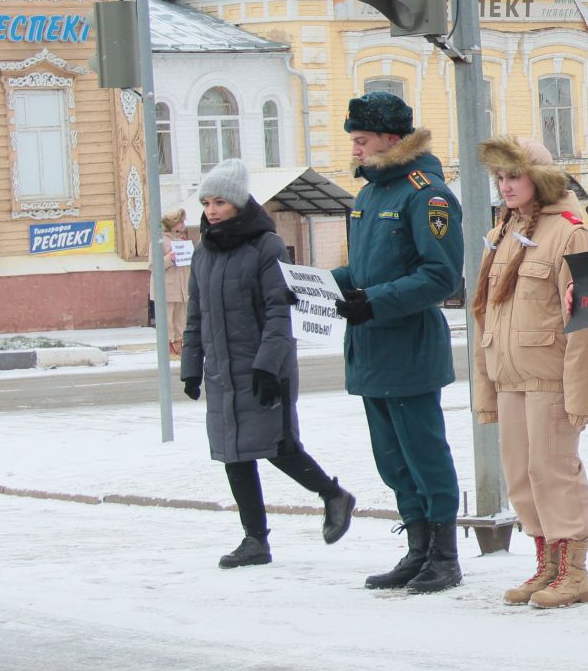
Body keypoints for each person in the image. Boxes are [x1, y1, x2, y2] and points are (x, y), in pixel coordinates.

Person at [181, 158, 355, 568]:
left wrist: (267, 366)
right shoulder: (203, 253)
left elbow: (280, 312)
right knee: (234, 453)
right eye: (207, 202)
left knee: (278, 447)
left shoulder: (266, 246)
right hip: (223, 371)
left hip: (264, 369)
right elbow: (196, 314)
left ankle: (333, 495)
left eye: (220, 201)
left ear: (239, 203)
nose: (212, 210)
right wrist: (191, 365)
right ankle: (255, 540)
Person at [331, 92, 466, 595]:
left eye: (362, 140)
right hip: (370, 347)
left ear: (392, 140)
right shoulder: (368, 195)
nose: (356, 150)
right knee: (391, 458)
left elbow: (441, 276)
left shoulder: (425, 194)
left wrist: (375, 302)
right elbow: (365, 272)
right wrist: (325, 285)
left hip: (408, 346)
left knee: (424, 453)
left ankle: (444, 556)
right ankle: (416, 548)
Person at [471, 136, 588, 610]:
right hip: (511, 374)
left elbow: (587, 319)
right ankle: (546, 562)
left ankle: (574, 570)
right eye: (500, 178)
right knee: (522, 474)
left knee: (554, 471)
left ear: (539, 179)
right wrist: (487, 382)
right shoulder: (505, 229)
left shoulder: (569, 229)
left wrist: (582, 392)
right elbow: (489, 312)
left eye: (515, 176)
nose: (505, 186)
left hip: (550, 373)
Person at [162, 209, 195, 357]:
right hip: (168, 288)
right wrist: (169, 258)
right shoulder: (160, 241)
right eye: (180, 222)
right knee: (167, 319)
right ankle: (167, 345)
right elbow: (153, 265)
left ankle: (179, 342)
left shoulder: (182, 241)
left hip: (183, 287)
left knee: (181, 318)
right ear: (172, 224)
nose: (183, 225)